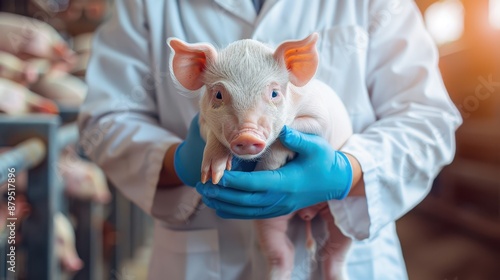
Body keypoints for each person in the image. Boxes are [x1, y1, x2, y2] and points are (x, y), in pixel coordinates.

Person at [77, 0, 462, 279]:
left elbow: (428, 119)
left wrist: (349, 173)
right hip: (202, 260)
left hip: (351, 245)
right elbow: (103, 121)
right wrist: (178, 160)